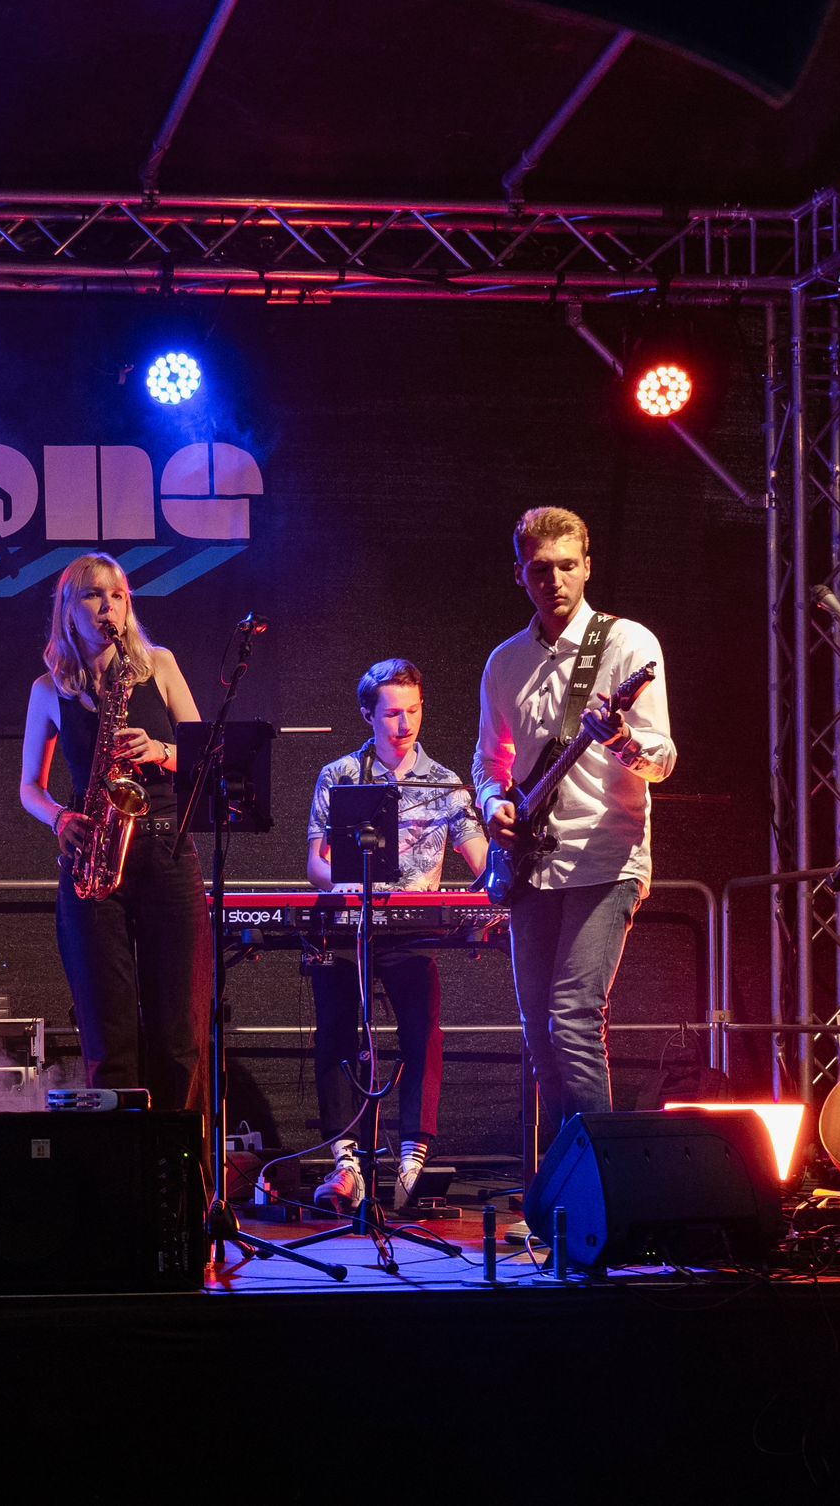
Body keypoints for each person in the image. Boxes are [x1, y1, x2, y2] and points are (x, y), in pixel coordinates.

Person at [473, 506, 675, 1139]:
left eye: (567, 566)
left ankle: (601, 1179)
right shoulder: (504, 662)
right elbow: (489, 760)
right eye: (540, 569)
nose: (554, 581)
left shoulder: (628, 644)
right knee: (539, 1030)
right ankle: (569, 1170)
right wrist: (493, 804)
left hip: (605, 857)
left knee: (573, 1018)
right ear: (519, 574)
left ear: (588, 566)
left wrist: (620, 740)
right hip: (531, 866)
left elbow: (662, 759)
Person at [19, 552, 212, 1131]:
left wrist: (161, 751)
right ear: (68, 609)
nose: (109, 607)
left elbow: (206, 757)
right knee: (108, 1035)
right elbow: (30, 788)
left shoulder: (160, 665)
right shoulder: (48, 689)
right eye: (94, 595)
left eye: (118, 595)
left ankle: (181, 1170)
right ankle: (118, 1164)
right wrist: (60, 819)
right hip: (94, 861)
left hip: (166, 854)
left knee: (179, 1033)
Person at [304, 659, 487, 1215]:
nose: (404, 724)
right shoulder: (340, 775)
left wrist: (498, 878)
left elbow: (481, 861)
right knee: (336, 1029)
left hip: (412, 928)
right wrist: (347, 884)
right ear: (368, 714)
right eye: (391, 714)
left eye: (413, 711)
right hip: (350, 923)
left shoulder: (445, 784)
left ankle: (413, 1153)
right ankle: (345, 1161)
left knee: (422, 1031)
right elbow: (316, 862)